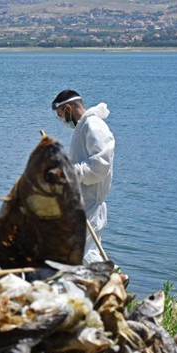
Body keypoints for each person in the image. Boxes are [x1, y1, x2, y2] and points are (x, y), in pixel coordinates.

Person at [51, 90, 115, 264]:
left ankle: (114, 278)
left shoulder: (93, 125)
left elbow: (101, 165)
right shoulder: (84, 126)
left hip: (90, 203)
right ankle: (114, 278)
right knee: (82, 252)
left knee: (81, 254)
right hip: (82, 202)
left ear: (68, 108)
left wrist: (70, 171)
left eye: (60, 115)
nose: (62, 120)